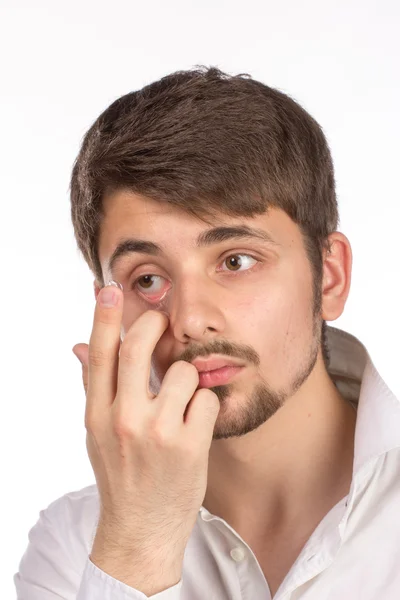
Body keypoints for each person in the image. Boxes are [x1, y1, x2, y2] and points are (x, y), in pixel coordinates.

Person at [14, 66, 400, 600]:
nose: (191, 319)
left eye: (236, 260)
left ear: (329, 276)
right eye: (147, 279)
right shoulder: (75, 545)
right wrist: (137, 546)